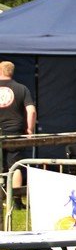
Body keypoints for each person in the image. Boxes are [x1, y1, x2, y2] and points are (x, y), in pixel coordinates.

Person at [0, 61, 36, 209]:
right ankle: (15, 201)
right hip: (15, 132)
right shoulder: (22, 88)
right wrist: (30, 129)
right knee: (15, 167)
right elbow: (31, 111)